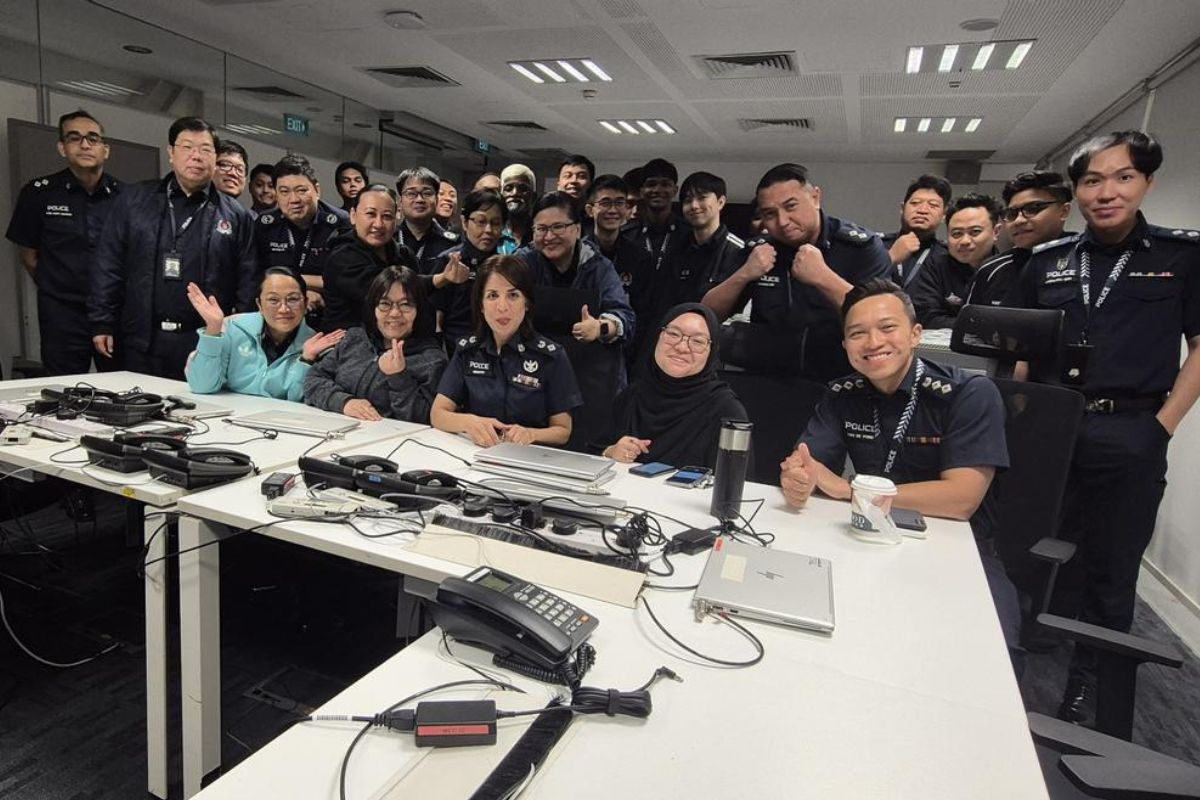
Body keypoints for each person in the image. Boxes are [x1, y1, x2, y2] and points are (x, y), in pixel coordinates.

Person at [1010, 130, 1200, 726]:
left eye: (1122, 177)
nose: (1106, 192)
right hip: (1053, 430)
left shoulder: (1180, 257)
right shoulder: (1048, 262)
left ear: (1146, 183)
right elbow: (1019, 350)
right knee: (1028, 554)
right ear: (1077, 191)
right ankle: (1017, 659)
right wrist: (1019, 423)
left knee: (1111, 575)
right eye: (1092, 180)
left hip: (1131, 430)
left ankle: (1092, 689)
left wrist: (1162, 427)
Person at [781, 278, 1020, 654]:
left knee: (983, 658)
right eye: (857, 333)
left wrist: (848, 489)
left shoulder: (968, 394)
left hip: (954, 553)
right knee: (800, 626)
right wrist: (797, 477)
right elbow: (807, 461)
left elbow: (960, 499)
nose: (873, 343)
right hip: (861, 536)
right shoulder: (843, 395)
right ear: (845, 345)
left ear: (915, 334)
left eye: (887, 328)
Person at [90, 116, 257, 379]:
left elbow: (247, 280)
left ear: (214, 158)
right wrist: (102, 320)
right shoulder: (134, 201)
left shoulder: (236, 216)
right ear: (171, 153)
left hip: (204, 341)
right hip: (141, 337)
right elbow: (109, 263)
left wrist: (238, 334)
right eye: (187, 147)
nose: (196, 156)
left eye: (205, 149)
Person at [702, 163, 892, 380]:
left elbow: (878, 320)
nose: (782, 221)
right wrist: (744, 273)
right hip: (769, 378)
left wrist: (823, 278)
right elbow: (708, 314)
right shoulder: (759, 251)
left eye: (791, 206)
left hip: (841, 379)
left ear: (815, 198)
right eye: (769, 214)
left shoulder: (861, 247)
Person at [5, 109, 122, 376]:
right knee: (66, 393)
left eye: (93, 138)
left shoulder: (125, 197)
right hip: (62, 314)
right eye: (74, 138)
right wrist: (57, 285)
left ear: (106, 149)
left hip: (114, 312)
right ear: (62, 147)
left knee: (124, 387)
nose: (85, 144)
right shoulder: (39, 194)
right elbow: (28, 255)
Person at [431, 255, 582, 446]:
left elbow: (563, 431)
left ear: (526, 303)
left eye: (513, 295)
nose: (502, 307)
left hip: (530, 458)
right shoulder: (468, 351)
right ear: (481, 306)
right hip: (476, 453)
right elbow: (438, 414)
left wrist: (531, 434)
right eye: (492, 296)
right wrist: (469, 422)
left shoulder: (551, 356)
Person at [604, 303, 747, 469]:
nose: (681, 347)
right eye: (673, 334)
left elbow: (737, 484)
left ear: (712, 351)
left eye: (697, 341)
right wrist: (610, 452)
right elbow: (593, 452)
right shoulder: (631, 396)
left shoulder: (726, 411)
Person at [304, 266, 448, 423]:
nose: (394, 313)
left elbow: (427, 418)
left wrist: (398, 377)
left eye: (406, 304)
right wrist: (344, 402)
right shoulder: (354, 339)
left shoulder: (433, 360)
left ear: (419, 310)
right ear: (373, 308)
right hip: (336, 430)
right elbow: (313, 379)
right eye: (385, 304)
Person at [184, 266, 344, 400]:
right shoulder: (232, 327)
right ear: (259, 304)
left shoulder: (314, 344)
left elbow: (296, 400)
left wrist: (306, 360)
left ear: (306, 303)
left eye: (293, 299)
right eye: (273, 300)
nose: (284, 309)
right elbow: (202, 386)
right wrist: (212, 330)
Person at [322, 184, 466, 332]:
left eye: (387, 216)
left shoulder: (403, 253)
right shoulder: (341, 256)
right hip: (348, 342)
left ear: (397, 217)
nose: (378, 224)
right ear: (353, 215)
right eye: (371, 214)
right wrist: (442, 278)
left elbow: (421, 303)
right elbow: (388, 291)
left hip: (402, 338)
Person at [518, 192, 635, 353]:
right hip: (533, 359)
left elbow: (625, 317)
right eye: (541, 229)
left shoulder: (599, 267)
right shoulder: (522, 263)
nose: (549, 236)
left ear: (578, 229)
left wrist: (600, 328)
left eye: (558, 227)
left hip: (588, 363)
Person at [254, 155, 350, 322]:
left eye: (301, 190)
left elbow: (343, 279)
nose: (294, 200)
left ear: (317, 190)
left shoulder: (340, 222)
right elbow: (257, 276)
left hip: (328, 316)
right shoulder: (265, 224)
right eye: (284, 192)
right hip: (277, 315)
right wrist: (301, 290)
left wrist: (296, 284)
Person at [967, 171, 1073, 307]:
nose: (1019, 220)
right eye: (1012, 213)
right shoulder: (991, 270)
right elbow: (970, 325)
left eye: (1033, 208)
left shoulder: (1086, 258)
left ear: (1063, 211)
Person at [910, 193, 1001, 329]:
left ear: (995, 232)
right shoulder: (936, 265)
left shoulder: (1010, 269)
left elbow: (1005, 323)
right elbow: (926, 317)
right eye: (957, 233)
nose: (964, 241)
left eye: (975, 232)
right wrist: (978, 326)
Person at [429, 189, 505, 346]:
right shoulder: (449, 260)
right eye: (481, 222)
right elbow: (436, 316)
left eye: (496, 223)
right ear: (464, 222)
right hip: (455, 348)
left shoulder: (506, 266)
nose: (488, 230)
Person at [880, 174, 951, 290]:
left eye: (933, 205)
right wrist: (889, 259)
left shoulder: (948, 256)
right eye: (915, 203)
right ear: (902, 209)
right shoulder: (876, 245)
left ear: (944, 215)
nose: (922, 210)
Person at [395, 166, 458, 272]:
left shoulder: (452, 244)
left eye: (427, 193)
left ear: (436, 200)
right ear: (400, 201)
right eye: (411, 193)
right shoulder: (387, 239)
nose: (419, 199)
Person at [497, 163, 536, 254]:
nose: (515, 193)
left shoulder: (541, 235)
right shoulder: (492, 233)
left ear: (533, 197)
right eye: (508, 189)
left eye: (522, 189)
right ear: (501, 195)